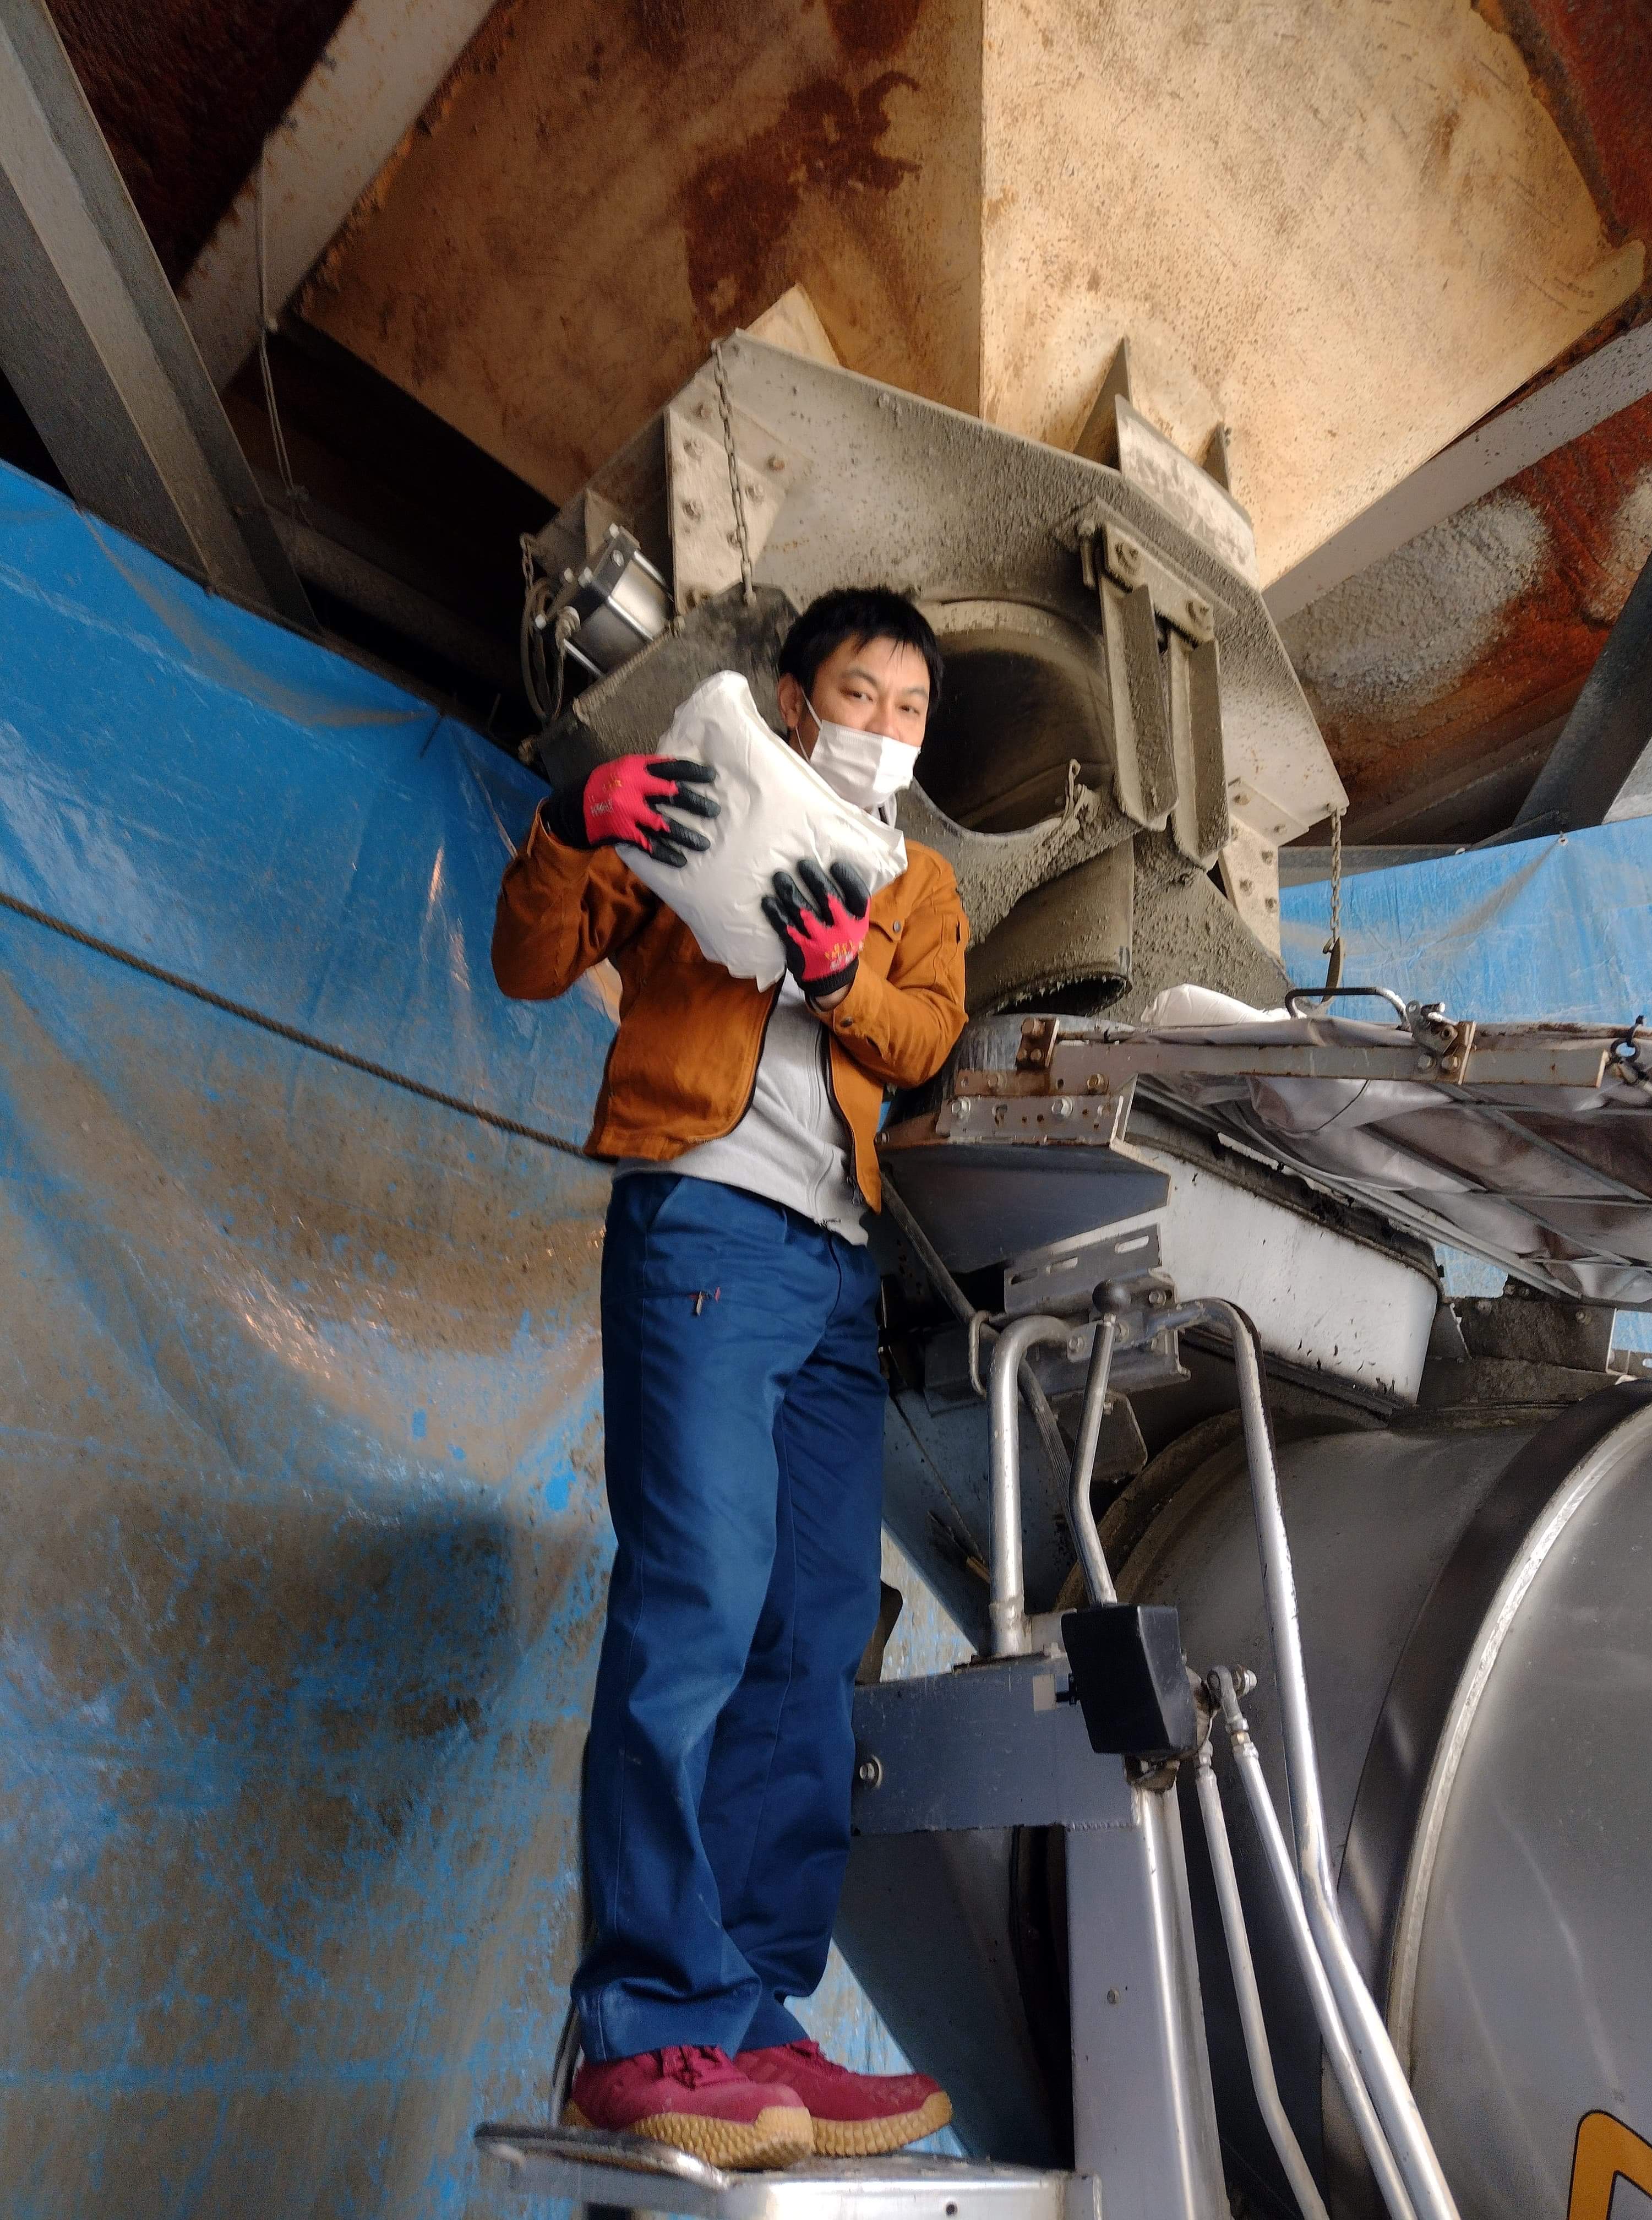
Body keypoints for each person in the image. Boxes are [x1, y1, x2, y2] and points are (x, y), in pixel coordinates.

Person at [492, 588, 968, 2171]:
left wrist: (843, 979)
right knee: (696, 1595)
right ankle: (644, 2017)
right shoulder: (693, 801)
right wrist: (575, 822)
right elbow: (532, 961)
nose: (881, 727)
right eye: (857, 691)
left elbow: (925, 1038)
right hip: (703, 1223)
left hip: (837, 1272)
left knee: (819, 1629)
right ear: (790, 690)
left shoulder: (924, 883)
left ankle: (756, 2018)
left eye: (908, 707)